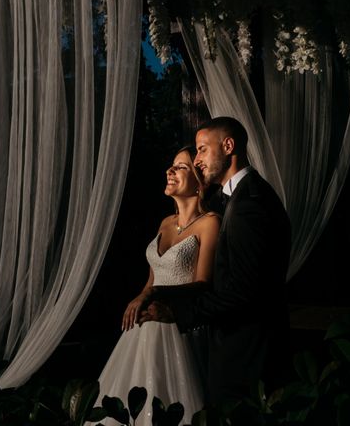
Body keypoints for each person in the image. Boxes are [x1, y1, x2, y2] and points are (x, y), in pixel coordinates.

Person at [140, 117, 291, 407]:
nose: (197, 160)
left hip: (247, 357)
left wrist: (178, 313)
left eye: (202, 150)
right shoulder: (234, 200)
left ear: (228, 146)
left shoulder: (251, 205)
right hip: (235, 351)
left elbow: (243, 292)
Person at [92, 146, 220, 425]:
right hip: (145, 327)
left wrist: (153, 293)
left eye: (181, 167)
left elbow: (203, 283)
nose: (170, 171)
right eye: (171, 165)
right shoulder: (165, 223)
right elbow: (153, 278)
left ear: (199, 184)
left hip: (180, 325)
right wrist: (140, 300)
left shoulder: (210, 223)